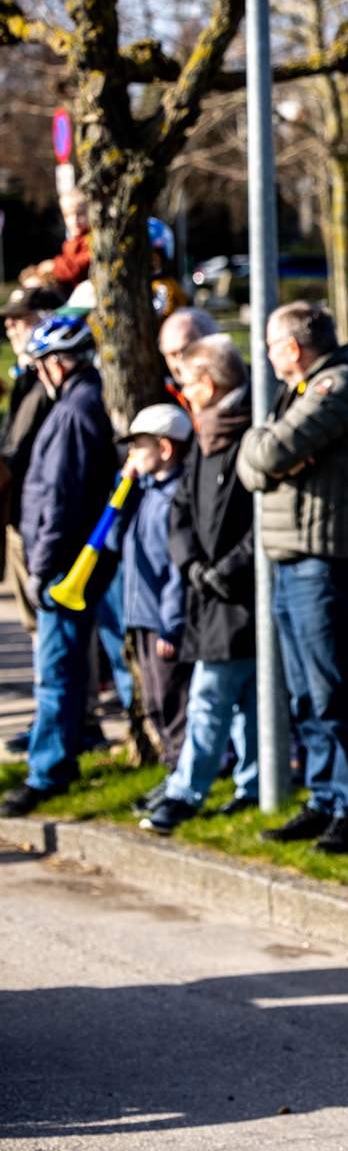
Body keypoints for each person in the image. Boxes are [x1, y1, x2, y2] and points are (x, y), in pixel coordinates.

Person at [239, 301, 348, 855]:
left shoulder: (336, 385)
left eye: (271, 346)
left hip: (323, 559)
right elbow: (259, 462)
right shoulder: (300, 391)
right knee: (304, 692)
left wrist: (266, 452)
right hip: (293, 556)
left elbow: (270, 451)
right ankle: (324, 798)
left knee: (329, 689)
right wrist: (265, 454)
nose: (267, 357)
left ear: (292, 347)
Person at [0, 317, 118, 816]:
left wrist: (42, 567)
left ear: (56, 364)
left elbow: (61, 498)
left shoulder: (73, 410)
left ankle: (48, 772)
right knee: (66, 667)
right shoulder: (81, 402)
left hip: (66, 566)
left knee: (57, 672)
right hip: (74, 558)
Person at [142, 337, 259, 833]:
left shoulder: (248, 435)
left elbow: (262, 520)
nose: (183, 393)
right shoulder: (206, 436)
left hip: (239, 594)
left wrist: (226, 570)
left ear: (208, 386)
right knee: (242, 698)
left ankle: (187, 792)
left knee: (212, 695)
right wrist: (191, 564)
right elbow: (183, 509)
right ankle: (253, 786)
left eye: (187, 384)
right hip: (208, 592)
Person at [119, 404, 192, 770]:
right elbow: (112, 539)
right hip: (141, 614)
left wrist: (172, 624)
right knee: (153, 702)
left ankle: (182, 769)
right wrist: (124, 488)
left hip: (164, 621)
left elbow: (179, 570)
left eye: (139, 446)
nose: (132, 454)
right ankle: (172, 767)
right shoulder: (144, 492)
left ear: (165, 449)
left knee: (172, 701)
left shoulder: (176, 498)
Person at [1, 299, 51, 639]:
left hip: (39, 520)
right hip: (19, 514)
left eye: (19, 319)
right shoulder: (27, 377)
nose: (10, 327)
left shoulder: (49, 382)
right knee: (34, 625)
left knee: (46, 624)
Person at [159, 307, 220, 394]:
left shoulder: (237, 389)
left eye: (187, 352)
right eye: (173, 355)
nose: (179, 363)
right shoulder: (163, 393)